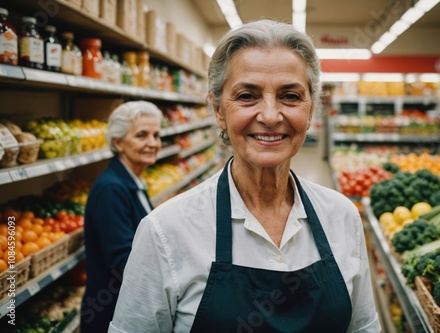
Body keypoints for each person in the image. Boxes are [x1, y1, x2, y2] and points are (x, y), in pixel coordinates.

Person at [109, 19, 381, 333]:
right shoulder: (166, 232)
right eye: (247, 96)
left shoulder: (343, 217)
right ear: (218, 111)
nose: (269, 116)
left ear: (310, 111)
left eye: (290, 96)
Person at [80, 101, 163, 332]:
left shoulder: (132, 180)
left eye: (156, 135)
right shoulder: (111, 189)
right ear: (118, 142)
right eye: (141, 135)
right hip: (110, 313)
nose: (152, 143)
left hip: (126, 306)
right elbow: (123, 263)